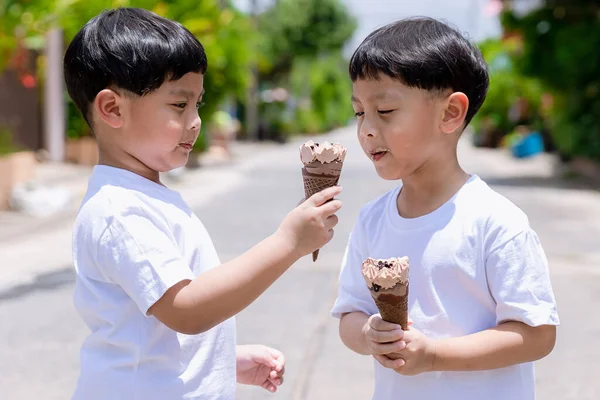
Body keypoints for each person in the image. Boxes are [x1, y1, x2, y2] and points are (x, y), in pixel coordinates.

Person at [64, 7, 342, 399]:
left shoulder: (145, 197)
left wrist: (224, 359)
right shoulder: (119, 210)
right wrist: (288, 243)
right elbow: (187, 308)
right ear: (113, 109)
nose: (195, 121)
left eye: (198, 104)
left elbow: (151, 332)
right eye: (179, 105)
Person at [331, 17, 558, 400]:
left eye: (384, 110)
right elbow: (349, 313)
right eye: (359, 112)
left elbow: (537, 333)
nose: (366, 129)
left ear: (450, 114)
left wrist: (434, 355)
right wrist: (369, 333)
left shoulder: (495, 221)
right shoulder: (373, 220)